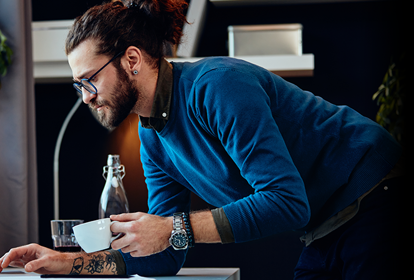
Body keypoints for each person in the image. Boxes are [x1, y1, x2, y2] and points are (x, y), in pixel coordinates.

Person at [0, 0, 405, 278]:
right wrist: (65, 263)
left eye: (90, 79)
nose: (87, 95)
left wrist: (172, 227)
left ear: (132, 60)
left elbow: (286, 201)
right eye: (78, 85)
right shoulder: (153, 140)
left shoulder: (217, 87)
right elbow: (166, 257)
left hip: (376, 193)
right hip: (323, 228)